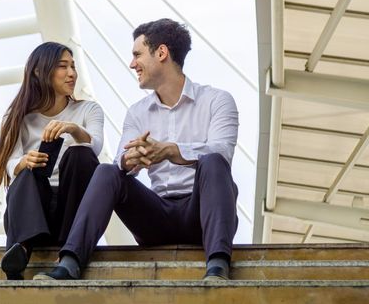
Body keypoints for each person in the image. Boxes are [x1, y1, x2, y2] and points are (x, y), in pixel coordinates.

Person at [34, 18, 239, 281]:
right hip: (156, 217)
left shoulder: (217, 100)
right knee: (109, 170)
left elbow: (222, 152)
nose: (132, 64)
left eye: (137, 54)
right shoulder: (137, 113)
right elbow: (121, 159)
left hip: (202, 215)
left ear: (161, 53)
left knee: (213, 161)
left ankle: (218, 267)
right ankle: (69, 263)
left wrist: (170, 151)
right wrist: (130, 160)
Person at [0, 41, 104, 280]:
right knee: (26, 172)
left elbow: (95, 146)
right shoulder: (17, 117)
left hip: (70, 211)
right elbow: (9, 165)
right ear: (40, 71)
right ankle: (20, 251)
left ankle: (67, 251)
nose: (72, 73)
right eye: (63, 66)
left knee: (80, 153)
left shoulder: (89, 110)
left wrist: (73, 129)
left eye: (73, 66)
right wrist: (25, 162)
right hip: (32, 209)